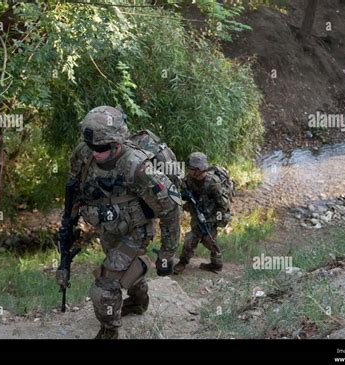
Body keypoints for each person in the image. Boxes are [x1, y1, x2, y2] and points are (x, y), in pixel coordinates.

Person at [57, 106, 181, 339]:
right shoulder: (84, 153)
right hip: (108, 227)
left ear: (117, 143)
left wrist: (166, 254)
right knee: (124, 270)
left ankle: (109, 330)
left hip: (136, 230)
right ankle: (138, 301)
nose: (96, 152)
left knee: (104, 287)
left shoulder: (138, 167)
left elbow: (170, 209)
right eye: (93, 146)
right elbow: (74, 188)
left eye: (102, 148)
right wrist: (69, 223)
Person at [174, 152, 231, 274]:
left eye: (191, 168)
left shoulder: (213, 184)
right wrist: (186, 197)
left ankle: (216, 264)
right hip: (197, 214)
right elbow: (183, 194)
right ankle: (182, 262)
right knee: (190, 239)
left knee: (209, 240)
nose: (188, 170)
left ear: (199, 170)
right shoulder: (189, 179)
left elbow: (224, 205)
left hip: (210, 217)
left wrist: (215, 220)